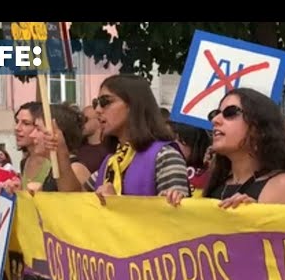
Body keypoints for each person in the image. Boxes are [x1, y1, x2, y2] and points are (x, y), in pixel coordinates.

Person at [43, 74, 190, 203]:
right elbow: (75, 201)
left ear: (133, 105)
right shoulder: (111, 162)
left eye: (106, 102)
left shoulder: (165, 156)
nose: (98, 110)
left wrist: (117, 204)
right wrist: (60, 150)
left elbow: (177, 223)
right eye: (96, 103)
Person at [165, 88, 285, 208]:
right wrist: (179, 207)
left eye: (230, 113)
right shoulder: (215, 185)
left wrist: (259, 216)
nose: (216, 120)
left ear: (258, 127)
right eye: (215, 113)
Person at [169, 121, 212, 197]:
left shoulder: (211, 172)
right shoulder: (167, 167)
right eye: (172, 139)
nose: (173, 144)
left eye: (179, 140)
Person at [77, 105, 110, 173]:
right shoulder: (77, 146)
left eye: (85, 119)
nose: (81, 124)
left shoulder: (108, 150)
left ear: (98, 120)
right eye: (79, 120)